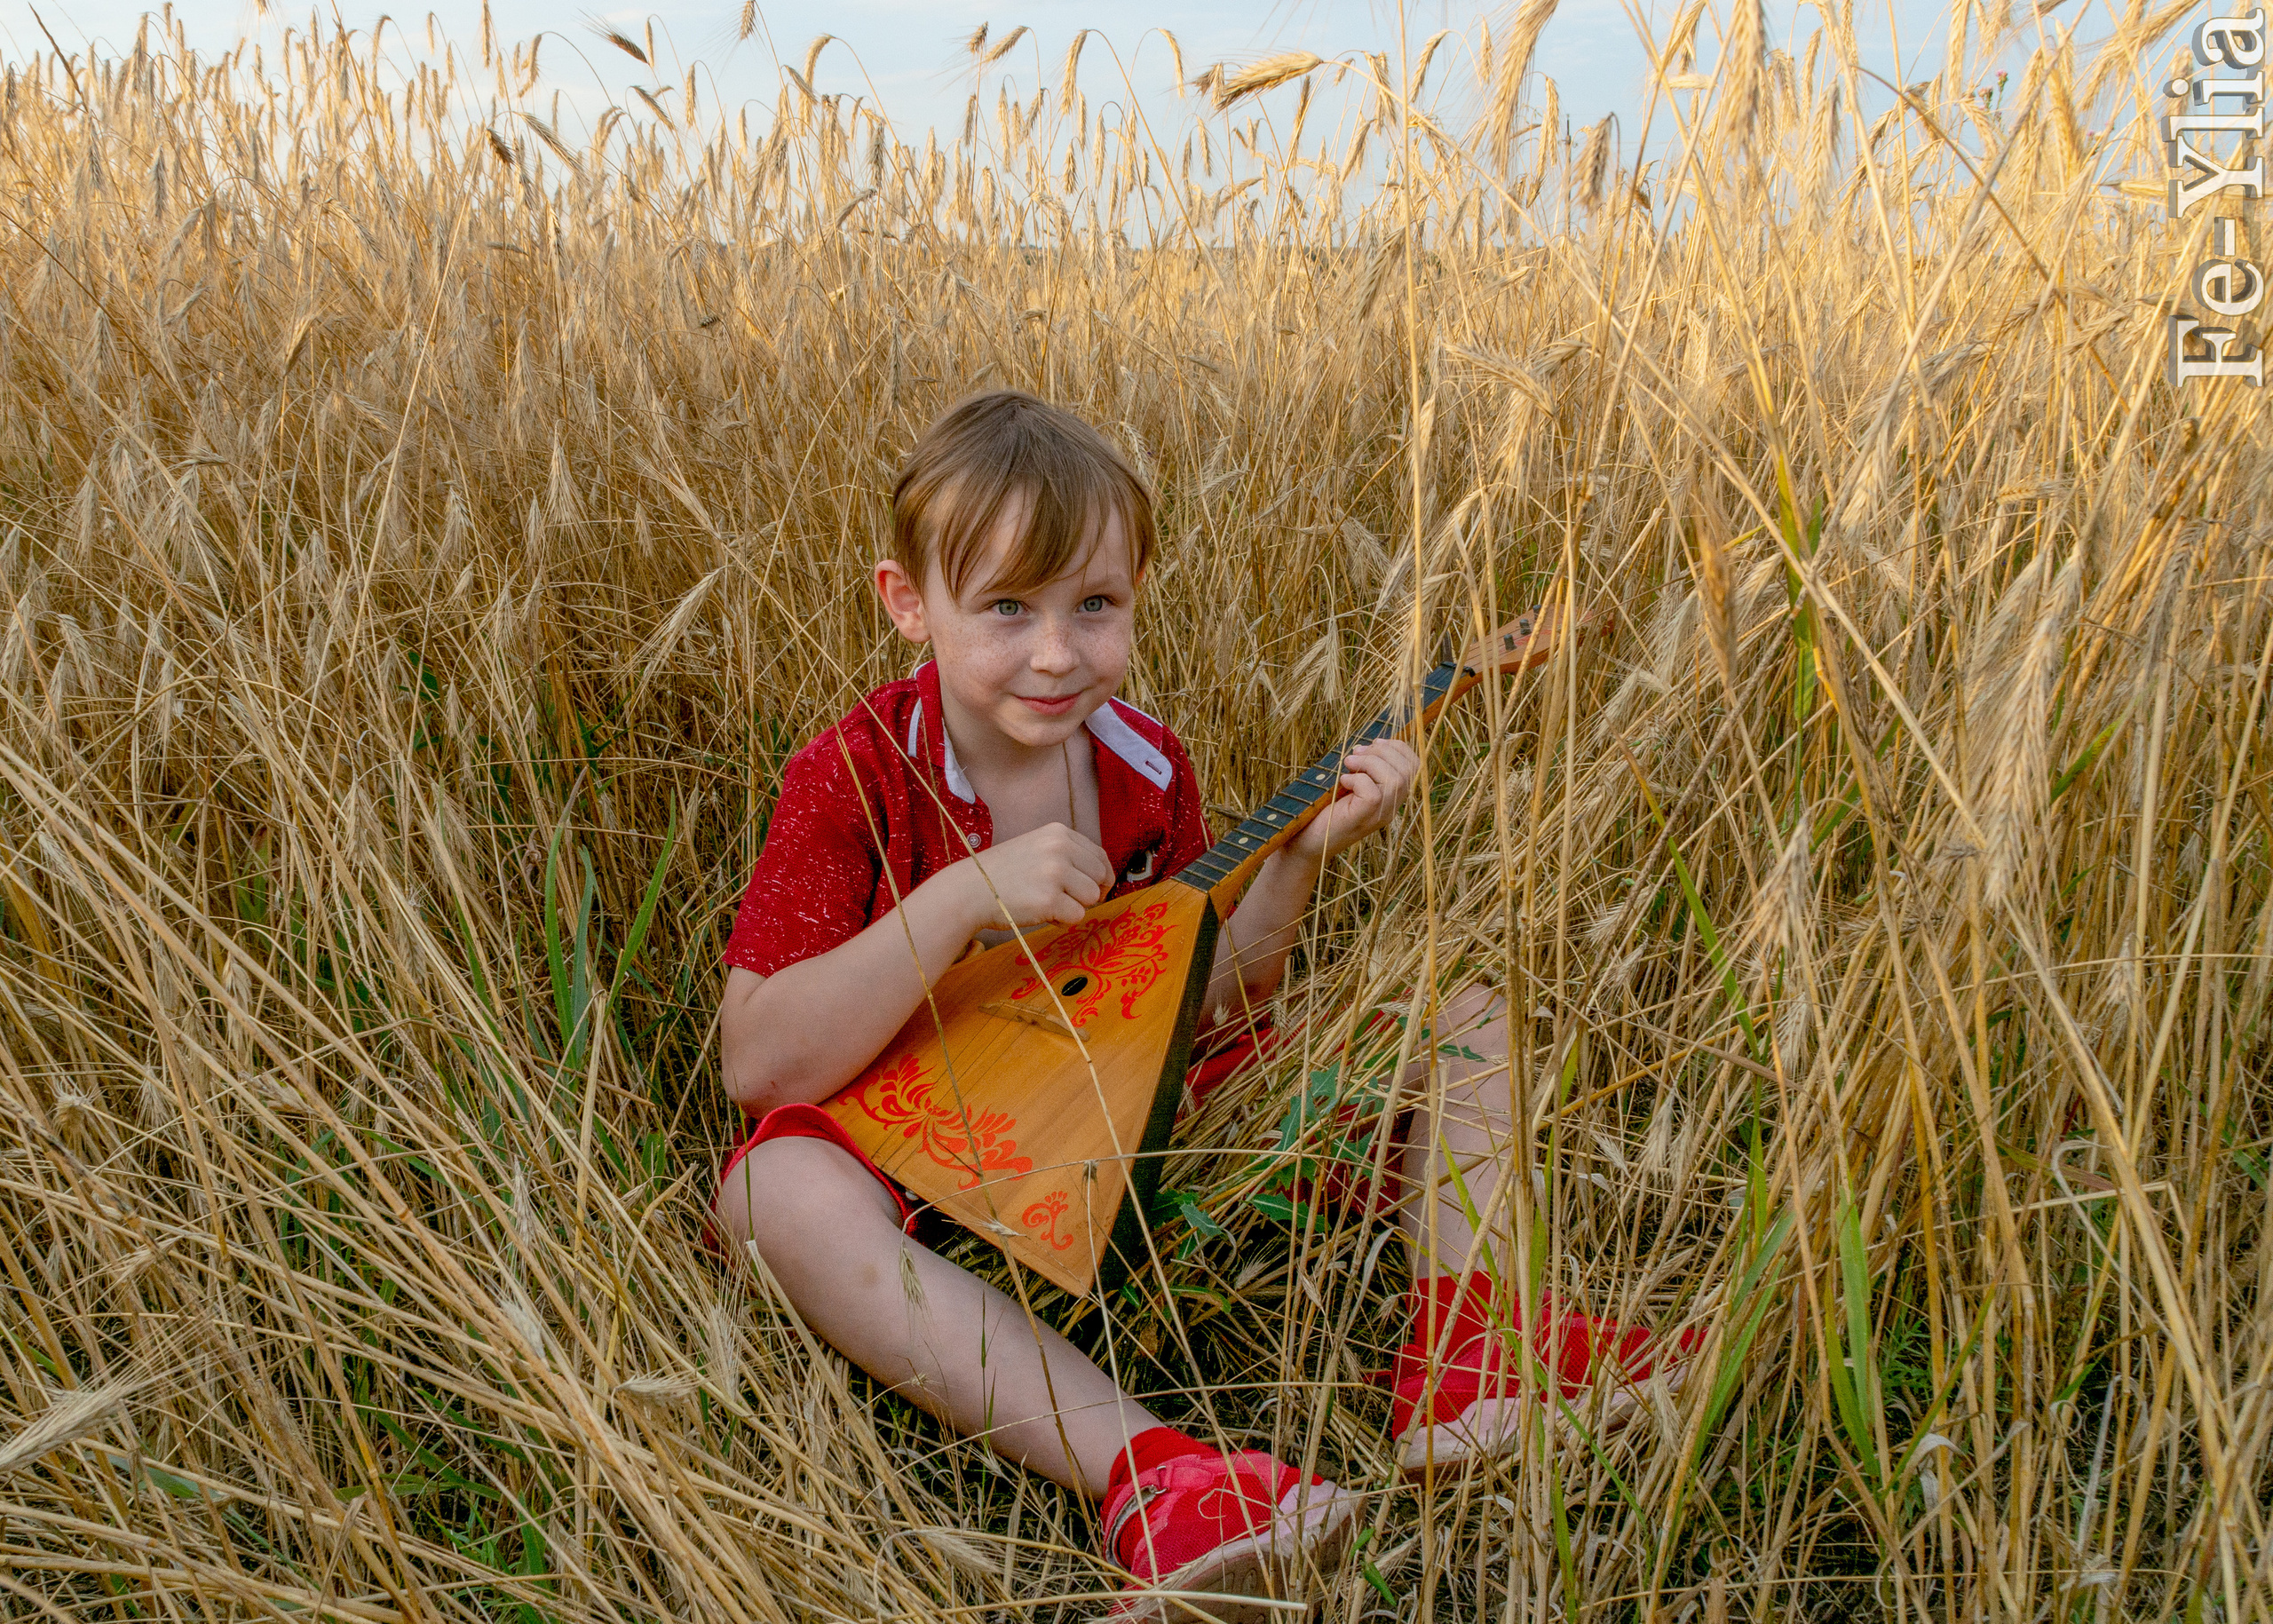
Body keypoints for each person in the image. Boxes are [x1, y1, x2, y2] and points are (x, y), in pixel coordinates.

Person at [711, 391, 1685, 1620]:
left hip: (1121, 1120)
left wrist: (1295, 862)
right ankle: (1161, 1478)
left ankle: (1471, 1355)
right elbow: (757, 1060)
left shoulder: (1145, 765)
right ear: (910, 601)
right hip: (920, 1150)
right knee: (766, 1190)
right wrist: (956, 900)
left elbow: (1205, 1010)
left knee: (1468, 1011)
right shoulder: (854, 773)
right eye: (1008, 606)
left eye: (1095, 606)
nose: (1057, 652)